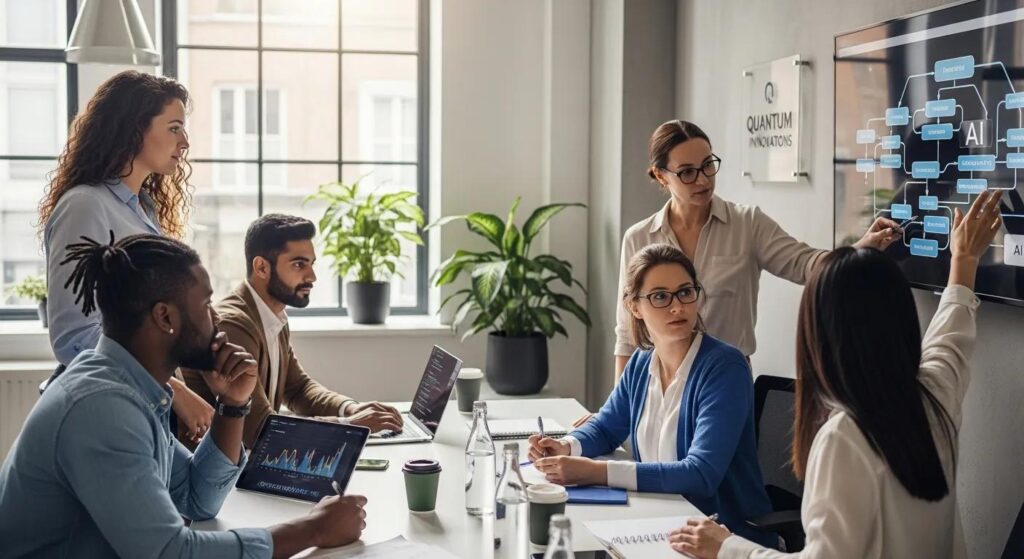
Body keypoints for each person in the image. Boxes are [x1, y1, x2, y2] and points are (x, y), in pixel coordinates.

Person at [669, 190, 1003, 558]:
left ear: (821, 333)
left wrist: (725, 546)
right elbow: (950, 332)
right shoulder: (935, 394)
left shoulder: (844, 437)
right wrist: (965, 258)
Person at [0, 233, 367, 558]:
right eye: (206, 305)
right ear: (165, 318)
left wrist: (233, 405)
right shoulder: (102, 407)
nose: (216, 319)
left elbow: (196, 498)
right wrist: (313, 530)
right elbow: (168, 552)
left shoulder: (136, 388)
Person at [611, 119, 903, 379]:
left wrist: (861, 248)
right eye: (687, 172)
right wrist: (616, 414)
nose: (702, 179)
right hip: (658, 385)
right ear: (661, 176)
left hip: (727, 383)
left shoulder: (748, 223)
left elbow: (805, 264)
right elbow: (627, 333)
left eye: (708, 165)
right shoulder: (639, 238)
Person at [529, 243, 775, 548]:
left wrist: (596, 471)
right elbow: (606, 427)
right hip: (658, 520)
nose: (677, 306)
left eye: (686, 292)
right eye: (660, 296)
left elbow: (700, 474)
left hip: (720, 536)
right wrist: (566, 446)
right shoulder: (642, 361)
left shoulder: (725, 368)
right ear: (635, 307)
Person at [39, 70, 213, 443]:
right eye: (174, 128)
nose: (184, 142)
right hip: (102, 406)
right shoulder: (86, 206)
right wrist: (173, 392)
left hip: (139, 401)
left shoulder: (144, 210)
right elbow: (73, 336)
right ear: (134, 129)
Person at [183, 214, 403, 448]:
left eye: (311, 264)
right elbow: (259, 430)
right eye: (299, 264)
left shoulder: (272, 315)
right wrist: (349, 424)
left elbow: (298, 389)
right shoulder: (233, 325)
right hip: (217, 475)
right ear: (261, 267)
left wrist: (350, 407)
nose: (312, 277)